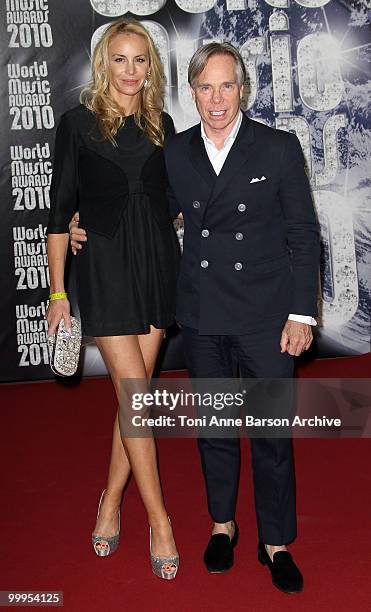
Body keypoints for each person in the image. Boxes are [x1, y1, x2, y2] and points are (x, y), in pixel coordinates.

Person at [70, 42, 320, 594]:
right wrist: (77, 223)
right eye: (205, 87)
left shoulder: (277, 148)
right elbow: (139, 206)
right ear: (192, 92)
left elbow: (304, 234)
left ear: (243, 90)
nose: (215, 99)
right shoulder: (175, 152)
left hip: (266, 317)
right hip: (204, 316)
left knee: (272, 434)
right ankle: (222, 526)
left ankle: (276, 541)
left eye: (226, 85)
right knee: (216, 430)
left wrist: (302, 313)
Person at [46, 18, 180, 580]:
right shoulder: (76, 124)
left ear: (151, 67)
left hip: (155, 267)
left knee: (135, 401)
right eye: (120, 59)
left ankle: (108, 501)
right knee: (136, 399)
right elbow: (58, 215)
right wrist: (56, 292)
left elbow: (176, 201)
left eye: (140, 60)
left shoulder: (163, 125)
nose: (130, 70)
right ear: (105, 64)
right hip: (102, 265)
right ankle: (161, 521)